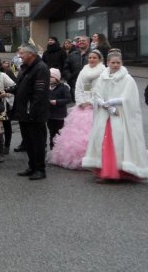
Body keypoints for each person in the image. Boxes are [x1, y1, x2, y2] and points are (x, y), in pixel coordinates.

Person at [82, 49, 148, 182]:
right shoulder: (102, 78)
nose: (116, 65)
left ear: (122, 63)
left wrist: (113, 102)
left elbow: (130, 98)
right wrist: (102, 103)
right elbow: (96, 94)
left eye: (118, 62)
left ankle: (122, 170)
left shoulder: (127, 79)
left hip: (120, 116)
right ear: (108, 63)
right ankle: (107, 170)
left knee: (120, 141)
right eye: (113, 62)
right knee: (104, 140)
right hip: (105, 115)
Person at [50, 49, 105, 169]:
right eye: (90, 57)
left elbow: (103, 90)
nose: (91, 59)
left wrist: (92, 102)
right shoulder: (84, 71)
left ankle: (93, 158)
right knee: (76, 133)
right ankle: (75, 158)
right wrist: (81, 101)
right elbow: (78, 87)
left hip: (96, 106)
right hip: (82, 105)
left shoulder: (104, 72)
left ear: (100, 59)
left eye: (94, 58)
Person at [9, 43, 50, 180]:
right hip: (23, 112)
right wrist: (8, 90)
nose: (19, 56)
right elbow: (20, 86)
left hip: (34, 114)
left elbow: (40, 93)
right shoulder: (25, 68)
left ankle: (40, 169)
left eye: (22, 53)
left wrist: (32, 112)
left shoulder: (41, 68)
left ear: (31, 54)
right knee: (28, 142)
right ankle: (32, 166)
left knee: (37, 142)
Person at [47, 68, 71, 150]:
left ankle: (60, 149)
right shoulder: (47, 87)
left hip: (59, 115)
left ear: (57, 78)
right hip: (50, 115)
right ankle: (52, 148)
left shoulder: (63, 87)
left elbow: (68, 99)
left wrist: (57, 101)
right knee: (52, 132)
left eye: (51, 77)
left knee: (59, 132)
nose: (49, 78)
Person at [63, 35, 90, 102]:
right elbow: (66, 67)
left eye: (83, 41)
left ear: (88, 42)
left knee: (88, 99)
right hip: (74, 83)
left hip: (88, 83)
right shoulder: (72, 54)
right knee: (77, 101)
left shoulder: (93, 54)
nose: (81, 42)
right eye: (79, 41)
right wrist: (69, 77)